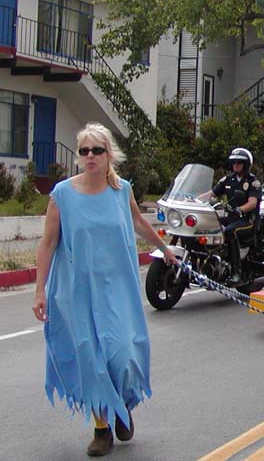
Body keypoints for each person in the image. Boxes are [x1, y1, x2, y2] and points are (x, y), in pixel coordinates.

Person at [32, 122, 178, 457]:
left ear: (108, 154)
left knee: (122, 354)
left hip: (117, 289)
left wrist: (164, 249)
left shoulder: (121, 190)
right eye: (84, 150)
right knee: (91, 359)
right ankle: (102, 428)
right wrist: (39, 291)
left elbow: (139, 222)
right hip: (76, 291)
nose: (90, 156)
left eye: (96, 150)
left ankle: (121, 406)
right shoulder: (62, 195)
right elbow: (48, 243)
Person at [203, 147, 261, 284]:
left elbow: (252, 203)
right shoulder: (228, 180)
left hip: (247, 220)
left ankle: (236, 272)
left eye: (239, 162)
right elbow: (211, 193)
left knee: (230, 231)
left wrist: (240, 209)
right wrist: (193, 200)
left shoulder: (253, 182)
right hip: (231, 218)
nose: (236, 165)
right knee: (208, 224)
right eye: (234, 162)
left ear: (246, 164)